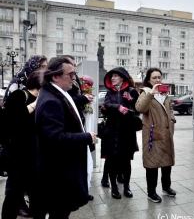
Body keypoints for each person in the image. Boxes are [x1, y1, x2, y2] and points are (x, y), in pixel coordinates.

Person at [35, 57, 95, 219]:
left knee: (64, 210)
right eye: (70, 74)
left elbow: (69, 106)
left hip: (63, 166)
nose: (74, 78)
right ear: (56, 76)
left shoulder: (56, 93)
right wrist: (87, 137)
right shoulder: (51, 100)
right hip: (57, 169)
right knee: (58, 211)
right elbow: (56, 138)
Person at [0, 71, 47, 219]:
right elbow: (13, 120)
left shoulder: (44, 99)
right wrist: (36, 103)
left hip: (35, 152)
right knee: (14, 193)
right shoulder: (20, 95)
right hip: (18, 154)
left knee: (38, 189)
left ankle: (39, 218)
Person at [136, 68, 176, 203]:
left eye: (159, 77)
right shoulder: (146, 92)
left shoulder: (164, 93)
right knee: (152, 163)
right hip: (153, 134)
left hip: (166, 133)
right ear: (149, 80)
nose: (158, 80)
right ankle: (151, 192)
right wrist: (151, 94)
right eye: (155, 78)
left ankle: (166, 187)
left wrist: (172, 120)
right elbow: (140, 108)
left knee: (167, 162)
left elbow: (170, 109)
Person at [59, 55, 95, 201]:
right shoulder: (56, 93)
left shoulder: (75, 81)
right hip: (71, 134)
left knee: (86, 163)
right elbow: (67, 101)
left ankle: (82, 190)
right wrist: (83, 99)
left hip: (78, 126)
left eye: (75, 67)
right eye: (71, 70)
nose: (74, 73)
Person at [101, 67, 139, 199]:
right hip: (112, 131)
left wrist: (130, 103)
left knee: (126, 161)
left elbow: (137, 109)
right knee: (112, 161)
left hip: (127, 131)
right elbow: (106, 105)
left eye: (116, 76)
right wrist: (118, 107)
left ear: (123, 77)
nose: (113, 78)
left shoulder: (132, 91)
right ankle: (114, 188)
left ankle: (127, 187)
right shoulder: (109, 92)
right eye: (111, 76)